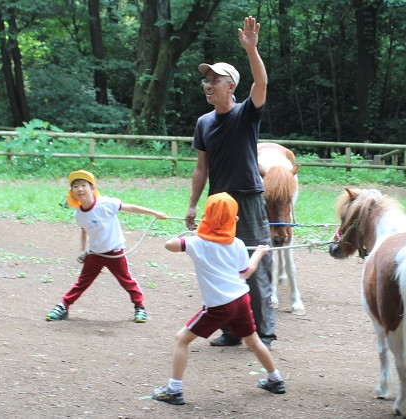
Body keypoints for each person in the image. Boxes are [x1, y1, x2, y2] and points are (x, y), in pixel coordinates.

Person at [184, 16, 276, 349]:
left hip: (248, 198)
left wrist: (251, 50)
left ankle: (263, 331)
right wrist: (194, 203)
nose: (208, 85)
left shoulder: (245, 114)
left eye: (215, 80)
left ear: (231, 87)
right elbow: (200, 168)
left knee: (256, 261)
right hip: (218, 203)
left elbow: (262, 84)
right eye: (205, 80)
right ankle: (232, 330)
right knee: (220, 265)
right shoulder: (203, 123)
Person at [153, 193, 285, 405]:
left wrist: (196, 231)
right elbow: (246, 273)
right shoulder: (238, 244)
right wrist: (259, 253)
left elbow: (169, 244)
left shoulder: (196, 243)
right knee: (253, 341)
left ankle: (174, 390)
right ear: (234, 220)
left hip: (219, 306)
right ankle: (275, 379)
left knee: (181, 339)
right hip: (241, 299)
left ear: (206, 217)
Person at [45, 170, 168, 323]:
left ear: (93, 188)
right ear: (72, 192)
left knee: (126, 280)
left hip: (115, 252)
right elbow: (84, 231)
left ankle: (139, 307)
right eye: (76, 186)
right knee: (82, 282)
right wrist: (83, 250)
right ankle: (63, 306)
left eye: (84, 185)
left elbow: (129, 207)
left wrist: (155, 213)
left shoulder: (105, 204)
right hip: (95, 254)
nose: (80, 189)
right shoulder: (79, 214)